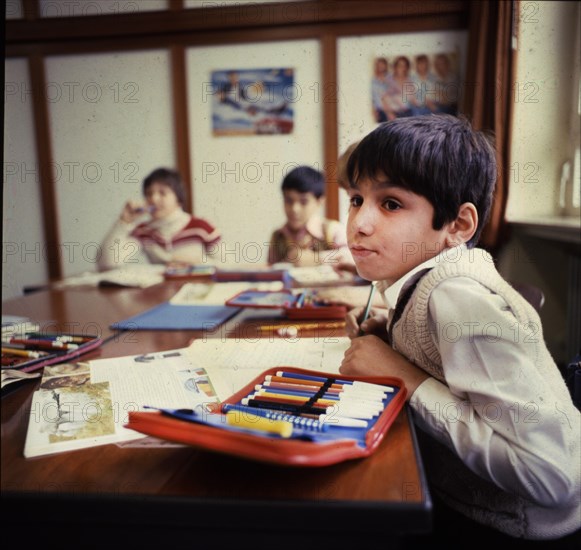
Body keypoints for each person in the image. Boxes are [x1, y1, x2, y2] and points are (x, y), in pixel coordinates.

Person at [339, 115, 580, 543]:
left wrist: (404, 376)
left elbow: (549, 475)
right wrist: (391, 338)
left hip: (510, 526)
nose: (359, 223)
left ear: (458, 226)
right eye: (357, 199)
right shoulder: (425, 281)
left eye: (391, 203)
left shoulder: (456, 296)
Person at [98, 167, 220, 270]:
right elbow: (107, 264)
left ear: (179, 198)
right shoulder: (144, 231)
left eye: (162, 193)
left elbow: (228, 265)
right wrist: (124, 222)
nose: (154, 199)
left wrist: (200, 263)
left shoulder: (201, 227)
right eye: (149, 193)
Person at [267, 165, 352, 267]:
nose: (294, 209)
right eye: (288, 200)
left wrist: (317, 259)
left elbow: (352, 257)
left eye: (304, 202)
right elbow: (271, 272)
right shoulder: (278, 237)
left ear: (319, 202)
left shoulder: (332, 230)